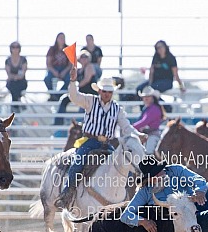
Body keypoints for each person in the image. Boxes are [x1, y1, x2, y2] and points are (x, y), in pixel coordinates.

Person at [54, 69, 143, 209]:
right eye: (104, 91)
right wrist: (72, 81)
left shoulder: (117, 109)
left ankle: (127, 197)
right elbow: (74, 96)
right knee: (77, 163)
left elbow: (126, 127)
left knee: (125, 166)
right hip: (90, 142)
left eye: (109, 92)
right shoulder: (90, 101)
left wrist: (138, 135)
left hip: (107, 144)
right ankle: (67, 193)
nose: (107, 94)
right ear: (99, 91)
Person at [54, 50, 97, 126]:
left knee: (82, 108)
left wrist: (75, 88)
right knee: (64, 99)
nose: (84, 59)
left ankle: (81, 126)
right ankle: (58, 122)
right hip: (81, 93)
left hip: (89, 94)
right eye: (82, 57)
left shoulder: (89, 67)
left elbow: (86, 80)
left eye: (86, 57)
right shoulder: (79, 70)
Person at [133, 86, 166, 155]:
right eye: (144, 96)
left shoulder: (153, 109)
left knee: (148, 152)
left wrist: (132, 127)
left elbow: (145, 121)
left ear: (152, 98)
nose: (146, 98)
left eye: (148, 96)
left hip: (152, 135)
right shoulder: (148, 108)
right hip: (147, 134)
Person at [44, 32, 72, 101]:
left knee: (69, 80)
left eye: (63, 38)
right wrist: (54, 71)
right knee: (47, 79)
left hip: (65, 69)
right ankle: (52, 94)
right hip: (54, 68)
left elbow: (71, 64)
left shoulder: (68, 48)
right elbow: (48, 63)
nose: (62, 39)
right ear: (57, 39)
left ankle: (57, 96)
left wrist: (64, 71)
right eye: (60, 38)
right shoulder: (52, 49)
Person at [5, 41, 28, 113]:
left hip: (21, 82)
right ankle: (18, 102)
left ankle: (15, 106)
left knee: (16, 85)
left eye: (17, 47)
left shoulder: (23, 60)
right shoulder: (8, 60)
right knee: (13, 85)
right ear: (10, 49)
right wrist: (15, 77)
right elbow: (8, 74)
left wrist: (15, 77)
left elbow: (23, 74)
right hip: (11, 82)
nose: (15, 49)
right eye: (13, 47)